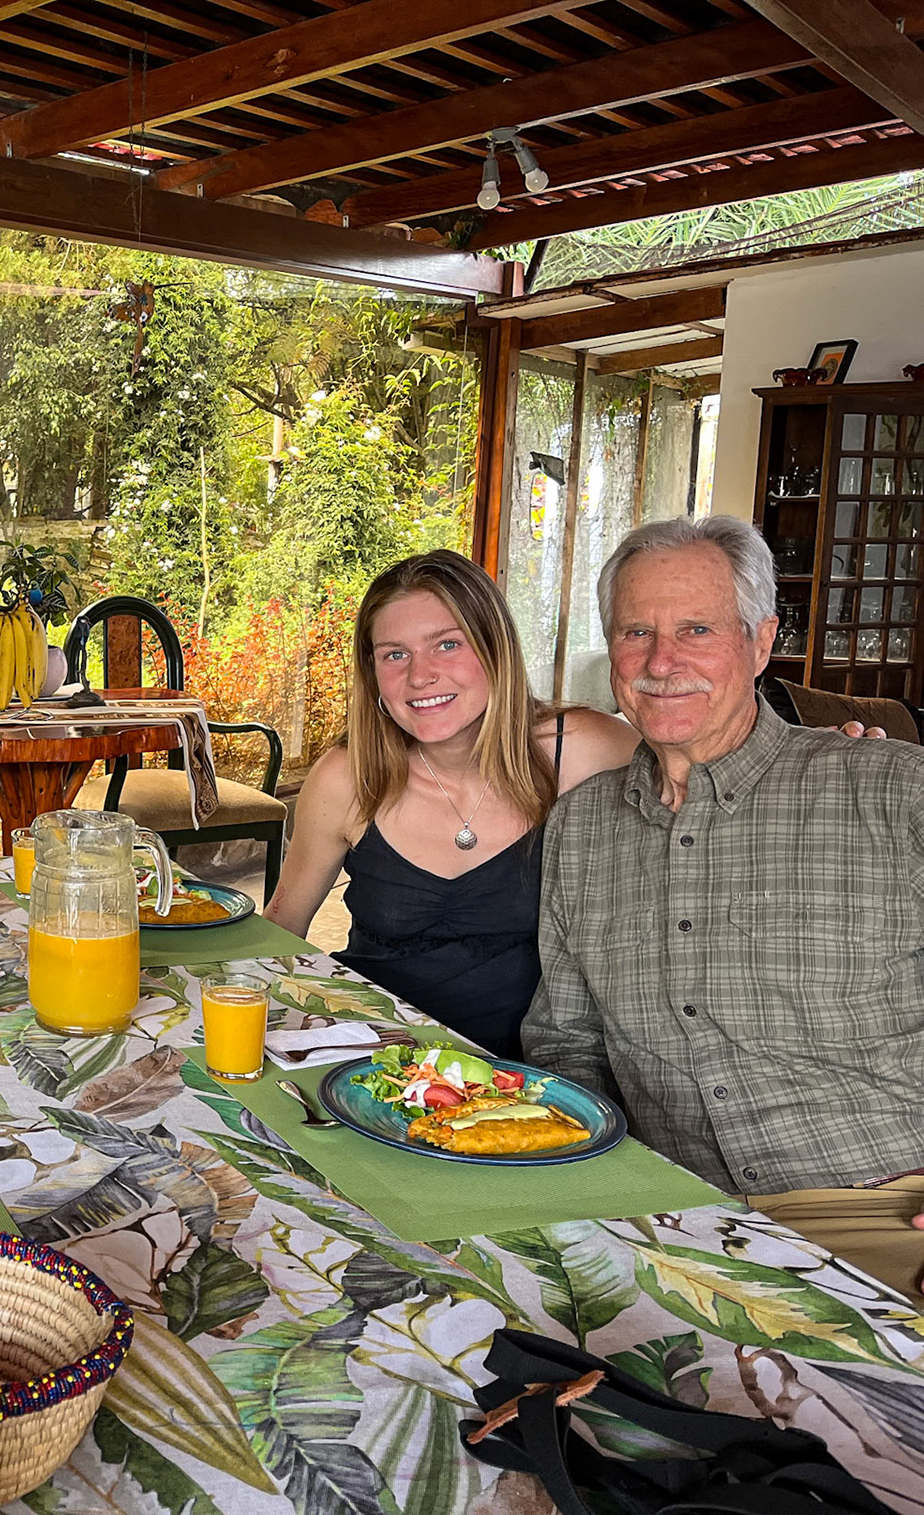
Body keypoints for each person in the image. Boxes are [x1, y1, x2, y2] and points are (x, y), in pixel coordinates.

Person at [523, 516, 924, 1304]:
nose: (661, 661)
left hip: (887, 1207)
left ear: (761, 641)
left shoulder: (891, 788)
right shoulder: (583, 823)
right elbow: (565, 1042)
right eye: (636, 631)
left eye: (696, 629)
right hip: (671, 1216)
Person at [265, 550, 639, 1057]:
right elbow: (282, 927)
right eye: (394, 654)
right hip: (371, 1065)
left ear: (495, 649)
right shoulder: (348, 777)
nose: (420, 676)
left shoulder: (584, 751)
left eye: (446, 644)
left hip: (527, 1080)